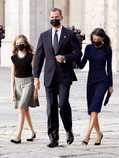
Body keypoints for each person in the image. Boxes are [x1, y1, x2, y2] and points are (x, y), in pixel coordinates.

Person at [33, 8, 82, 148]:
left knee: (63, 103)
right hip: (49, 76)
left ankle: (68, 129)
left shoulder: (70, 34)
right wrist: (36, 77)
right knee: (51, 107)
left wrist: (65, 58)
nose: (54, 19)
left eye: (56, 16)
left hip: (65, 76)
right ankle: (53, 138)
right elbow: (38, 57)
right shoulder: (44, 35)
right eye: (52, 17)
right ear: (49, 18)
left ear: (62, 17)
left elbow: (78, 54)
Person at [78, 28, 113, 145]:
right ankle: (99, 134)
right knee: (92, 110)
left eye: (98, 40)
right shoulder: (88, 48)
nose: (96, 41)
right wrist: (76, 54)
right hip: (91, 81)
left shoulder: (107, 49)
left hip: (103, 80)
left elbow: (109, 68)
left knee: (95, 107)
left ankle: (87, 135)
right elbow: (81, 65)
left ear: (102, 38)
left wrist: (110, 85)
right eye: (94, 39)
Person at [10, 35, 38, 144]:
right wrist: (12, 91)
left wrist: (36, 89)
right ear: (15, 45)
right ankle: (32, 132)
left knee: (21, 108)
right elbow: (12, 75)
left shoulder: (31, 56)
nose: (19, 44)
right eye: (17, 43)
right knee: (25, 110)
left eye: (21, 42)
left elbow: (35, 73)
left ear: (25, 43)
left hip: (29, 82)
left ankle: (18, 135)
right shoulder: (13, 58)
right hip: (18, 84)